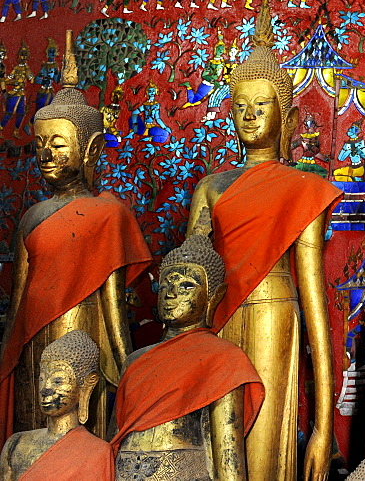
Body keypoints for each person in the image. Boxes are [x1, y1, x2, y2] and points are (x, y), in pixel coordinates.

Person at [186, 4, 343, 480]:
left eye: (262, 104)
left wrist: (323, 428)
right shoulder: (211, 187)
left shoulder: (303, 188)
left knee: (262, 444)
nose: (250, 116)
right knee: (217, 441)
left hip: (276, 314)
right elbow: (189, 277)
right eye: (240, 106)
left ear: (290, 117)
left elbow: (315, 304)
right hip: (214, 321)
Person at [0, 57, 151, 442]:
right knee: (33, 431)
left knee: (81, 433)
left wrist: (124, 361)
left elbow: (113, 301)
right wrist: (6, 358)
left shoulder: (108, 213)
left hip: (86, 334)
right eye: (40, 145)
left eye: (58, 143)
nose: (46, 154)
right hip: (34, 340)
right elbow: (18, 303)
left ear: (91, 150)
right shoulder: (32, 216)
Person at [111, 235, 265, 480]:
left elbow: (228, 456)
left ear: (213, 297)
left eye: (186, 286)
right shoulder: (135, 360)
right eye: (166, 285)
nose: (172, 294)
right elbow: (115, 441)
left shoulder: (223, 358)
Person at [0, 332, 114, 480]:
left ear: (85, 385)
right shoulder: (16, 444)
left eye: (58, 381)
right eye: (42, 379)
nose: (45, 389)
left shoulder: (97, 451)